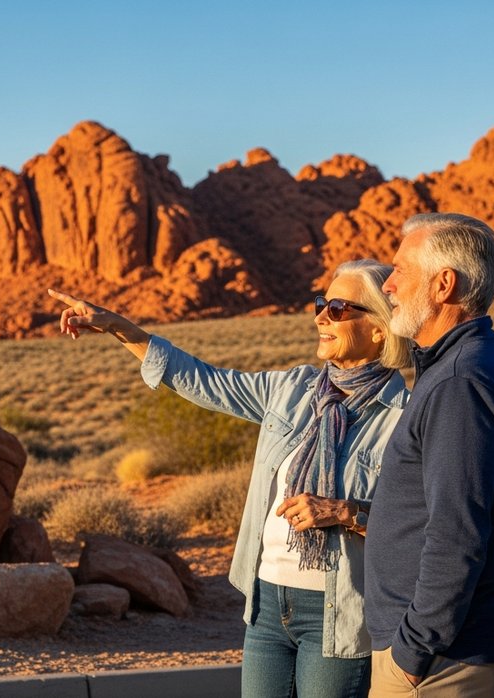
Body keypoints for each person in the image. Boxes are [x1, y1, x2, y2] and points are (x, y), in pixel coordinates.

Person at [49, 259, 413, 698]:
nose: (320, 316)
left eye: (338, 308)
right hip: (265, 604)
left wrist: (343, 511)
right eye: (321, 303)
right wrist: (118, 328)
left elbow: (419, 523)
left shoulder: (404, 418)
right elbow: (204, 381)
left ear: (378, 328)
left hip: (340, 615)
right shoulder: (292, 390)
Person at [363, 213, 494, 697]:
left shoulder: (460, 380)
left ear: (444, 284)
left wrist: (415, 651)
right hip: (438, 654)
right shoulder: (463, 366)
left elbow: (457, 532)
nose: (389, 284)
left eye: (400, 270)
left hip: (436, 664)